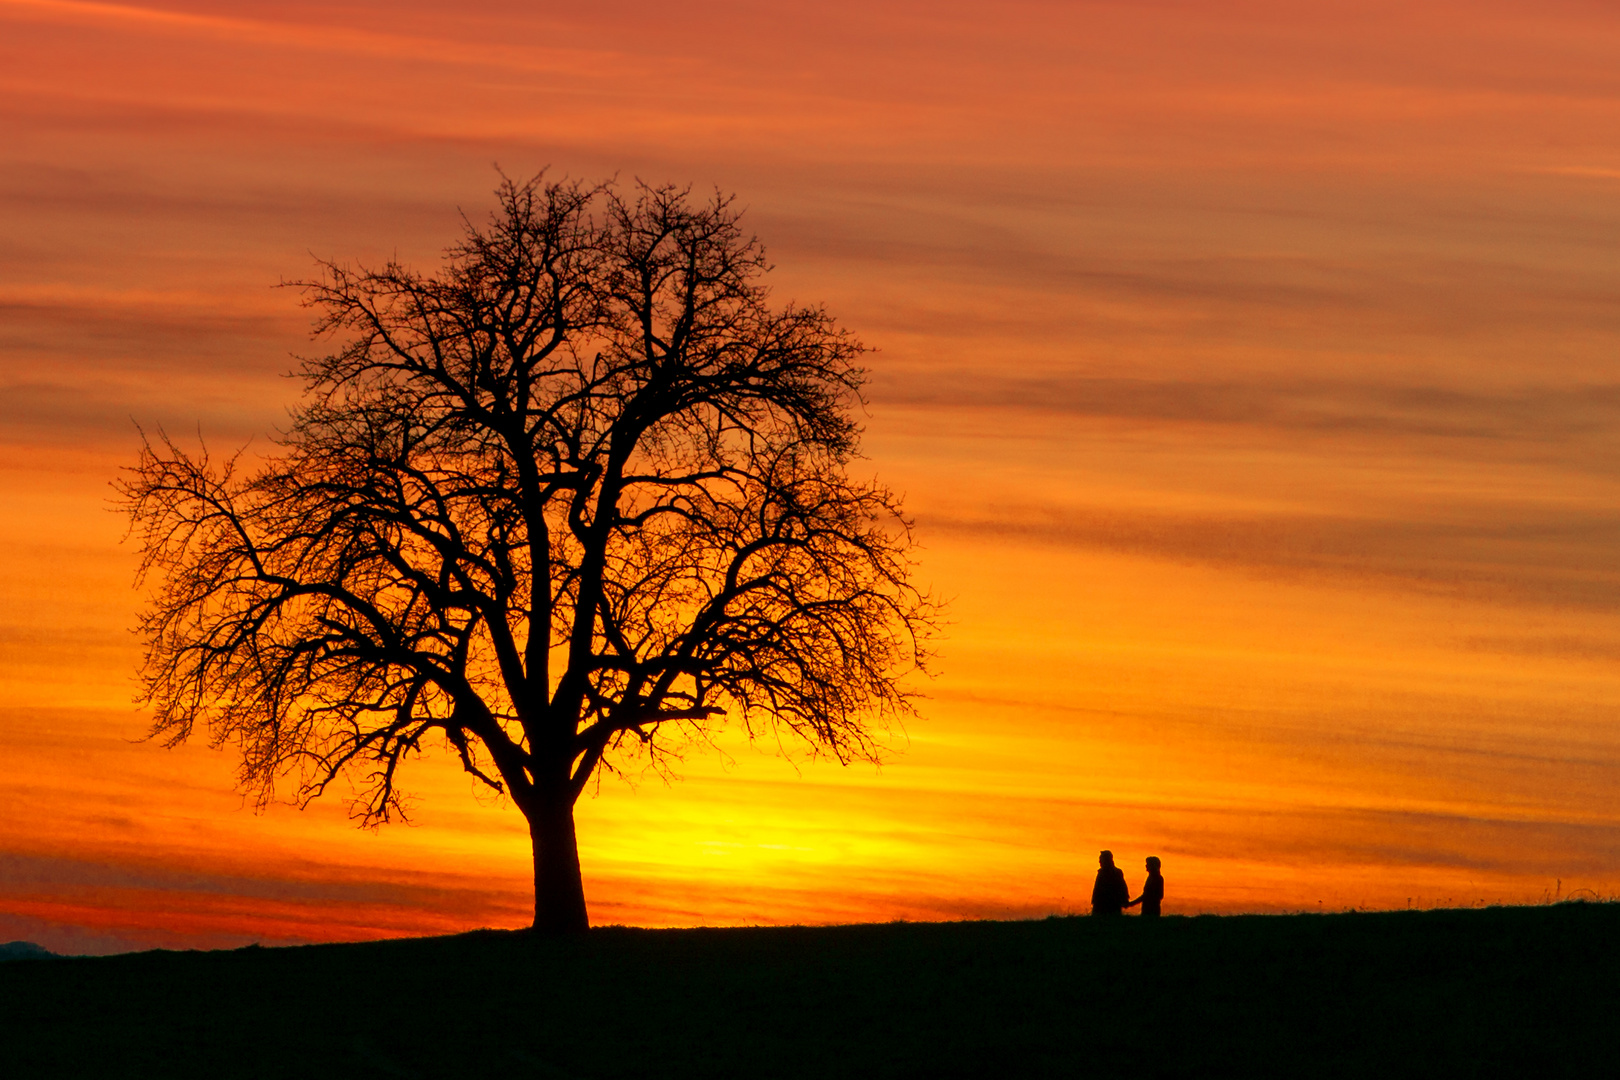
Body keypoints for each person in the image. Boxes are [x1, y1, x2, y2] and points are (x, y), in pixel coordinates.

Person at [1090, 850, 1130, 916]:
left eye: (1101, 859)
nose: (1099, 862)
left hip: (1109, 905)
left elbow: (1122, 887)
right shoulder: (1103, 872)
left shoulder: (1116, 873)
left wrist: (1124, 900)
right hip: (1101, 904)